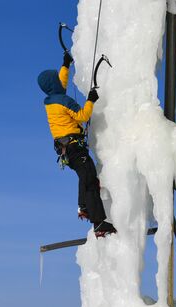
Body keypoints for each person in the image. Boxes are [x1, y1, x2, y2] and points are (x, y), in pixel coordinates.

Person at [37, 52, 116, 237]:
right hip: (74, 147)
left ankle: (84, 208)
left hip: (67, 150)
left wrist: (65, 64)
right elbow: (83, 116)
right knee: (89, 178)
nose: (60, 79)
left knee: (86, 175)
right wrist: (91, 100)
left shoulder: (50, 101)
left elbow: (60, 84)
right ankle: (97, 221)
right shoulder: (64, 101)